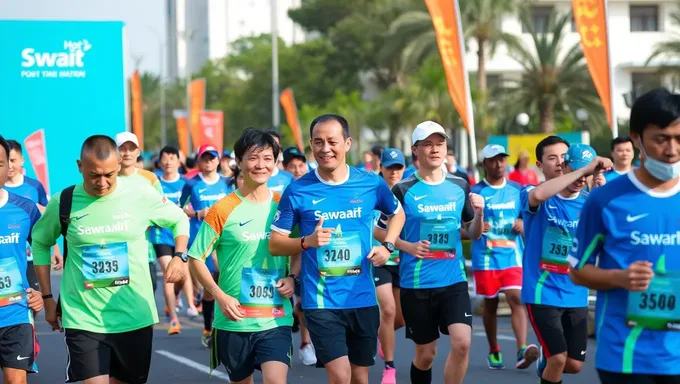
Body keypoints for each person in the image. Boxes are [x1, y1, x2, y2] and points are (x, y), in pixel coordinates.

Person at [32, 135, 190, 384]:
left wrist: (180, 256)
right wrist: (48, 297)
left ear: (118, 165)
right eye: (94, 175)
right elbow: (40, 242)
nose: (102, 183)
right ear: (80, 166)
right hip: (83, 316)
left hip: (134, 314)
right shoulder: (64, 201)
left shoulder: (140, 193)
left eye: (109, 175)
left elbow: (179, 218)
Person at [269, 114, 405, 384]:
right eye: (318, 142)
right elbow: (275, 243)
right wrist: (307, 241)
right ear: (310, 145)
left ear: (347, 143)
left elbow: (398, 214)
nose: (325, 149)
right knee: (340, 376)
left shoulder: (370, 183)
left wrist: (388, 246)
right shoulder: (298, 190)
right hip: (321, 302)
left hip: (363, 297)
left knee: (360, 377)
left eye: (332, 141)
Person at [569, 88, 680, 384]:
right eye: (661, 139)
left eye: (679, 139)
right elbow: (578, 271)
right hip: (626, 356)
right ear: (636, 137)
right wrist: (620, 278)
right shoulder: (605, 200)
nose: (671, 150)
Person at [172, 128, 297, 384]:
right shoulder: (222, 209)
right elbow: (195, 257)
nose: (260, 165)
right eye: (252, 158)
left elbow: (300, 246)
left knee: (276, 381)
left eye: (267, 158)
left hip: (275, 317)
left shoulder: (285, 205)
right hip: (234, 319)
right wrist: (220, 295)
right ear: (238, 162)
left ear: (275, 163)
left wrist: (294, 277)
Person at [375, 121, 484, 384]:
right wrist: (407, 246)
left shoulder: (460, 185)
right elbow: (379, 231)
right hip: (417, 283)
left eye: (440, 143)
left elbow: (473, 234)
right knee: (426, 354)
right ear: (415, 150)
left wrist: (479, 214)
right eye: (428, 144)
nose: (435, 149)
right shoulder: (403, 189)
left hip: (453, 281)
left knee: (462, 344)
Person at [520, 137, 612, 384]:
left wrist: (600, 194)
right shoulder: (532, 192)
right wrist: (584, 170)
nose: (560, 163)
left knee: (573, 365)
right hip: (542, 292)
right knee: (559, 359)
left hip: (576, 293)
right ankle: (550, 359)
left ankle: (544, 360)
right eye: (556, 158)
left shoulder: (589, 202)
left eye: (564, 157)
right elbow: (538, 195)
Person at [470, 144, 538, 370]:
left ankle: (522, 349)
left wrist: (522, 223)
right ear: (484, 164)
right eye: (494, 160)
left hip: (512, 256)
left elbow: (529, 219)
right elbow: (467, 227)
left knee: (516, 298)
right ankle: (493, 350)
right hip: (486, 258)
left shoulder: (518, 190)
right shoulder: (476, 192)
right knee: (490, 304)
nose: (499, 164)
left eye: (502, 159)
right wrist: (479, 223)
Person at [0, 135, 45, 384]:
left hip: (15, 314)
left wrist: (40, 292)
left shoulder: (25, 209)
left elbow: (41, 250)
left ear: (9, 166)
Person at [179, 144, 231, 348]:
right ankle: (208, 328)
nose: (209, 162)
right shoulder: (191, 184)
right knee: (211, 289)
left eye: (212, 158)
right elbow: (180, 209)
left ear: (219, 161)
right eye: (205, 158)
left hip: (226, 242)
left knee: (225, 282)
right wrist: (197, 214)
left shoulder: (228, 183)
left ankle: (224, 328)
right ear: (199, 161)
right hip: (204, 243)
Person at [150, 146, 199, 335]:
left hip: (180, 235)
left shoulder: (187, 184)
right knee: (168, 271)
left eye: (173, 157)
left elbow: (191, 207)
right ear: (160, 162)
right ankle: (174, 319)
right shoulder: (154, 183)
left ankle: (190, 304)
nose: (169, 161)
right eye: (165, 158)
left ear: (179, 161)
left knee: (183, 270)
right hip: (160, 235)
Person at [5, 140, 62, 283]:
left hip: (32, 256)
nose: (10, 165)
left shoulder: (34, 187)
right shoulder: (2, 190)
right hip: (9, 257)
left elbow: (46, 220)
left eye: (13, 160)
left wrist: (55, 249)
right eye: (7, 160)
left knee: (34, 299)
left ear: (22, 160)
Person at [372, 148, 406, 384]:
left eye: (398, 168)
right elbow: (372, 228)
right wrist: (392, 244)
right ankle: (390, 368)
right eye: (389, 167)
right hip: (379, 260)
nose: (394, 172)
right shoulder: (372, 190)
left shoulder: (409, 191)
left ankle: (380, 335)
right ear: (381, 168)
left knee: (401, 319)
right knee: (389, 309)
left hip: (403, 262)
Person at [280, 146, 317, 365]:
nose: (297, 168)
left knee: (303, 301)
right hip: (280, 251)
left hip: (303, 250)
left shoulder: (312, 187)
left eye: (300, 164)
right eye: (291, 165)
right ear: (285, 168)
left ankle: (305, 343)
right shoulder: (284, 190)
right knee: (286, 300)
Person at [115, 132, 164, 293]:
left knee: (147, 295)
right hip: (115, 253)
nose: (127, 153)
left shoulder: (150, 178)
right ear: (115, 152)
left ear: (138, 152)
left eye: (131, 149)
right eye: (122, 148)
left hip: (144, 252)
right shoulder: (108, 178)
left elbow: (161, 212)